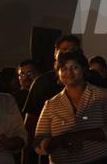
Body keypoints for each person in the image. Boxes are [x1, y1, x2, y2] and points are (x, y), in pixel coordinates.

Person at [33, 51, 107, 164]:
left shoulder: (102, 95)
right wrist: (60, 141)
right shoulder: (51, 104)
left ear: (84, 70)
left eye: (74, 67)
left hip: (100, 160)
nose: (69, 72)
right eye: (64, 68)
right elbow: (38, 143)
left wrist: (83, 135)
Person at [22, 35, 81, 164]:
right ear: (56, 53)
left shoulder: (92, 81)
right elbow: (31, 125)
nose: (69, 54)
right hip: (53, 156)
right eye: (64, 49)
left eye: (74, 50)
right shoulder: (42, 83)